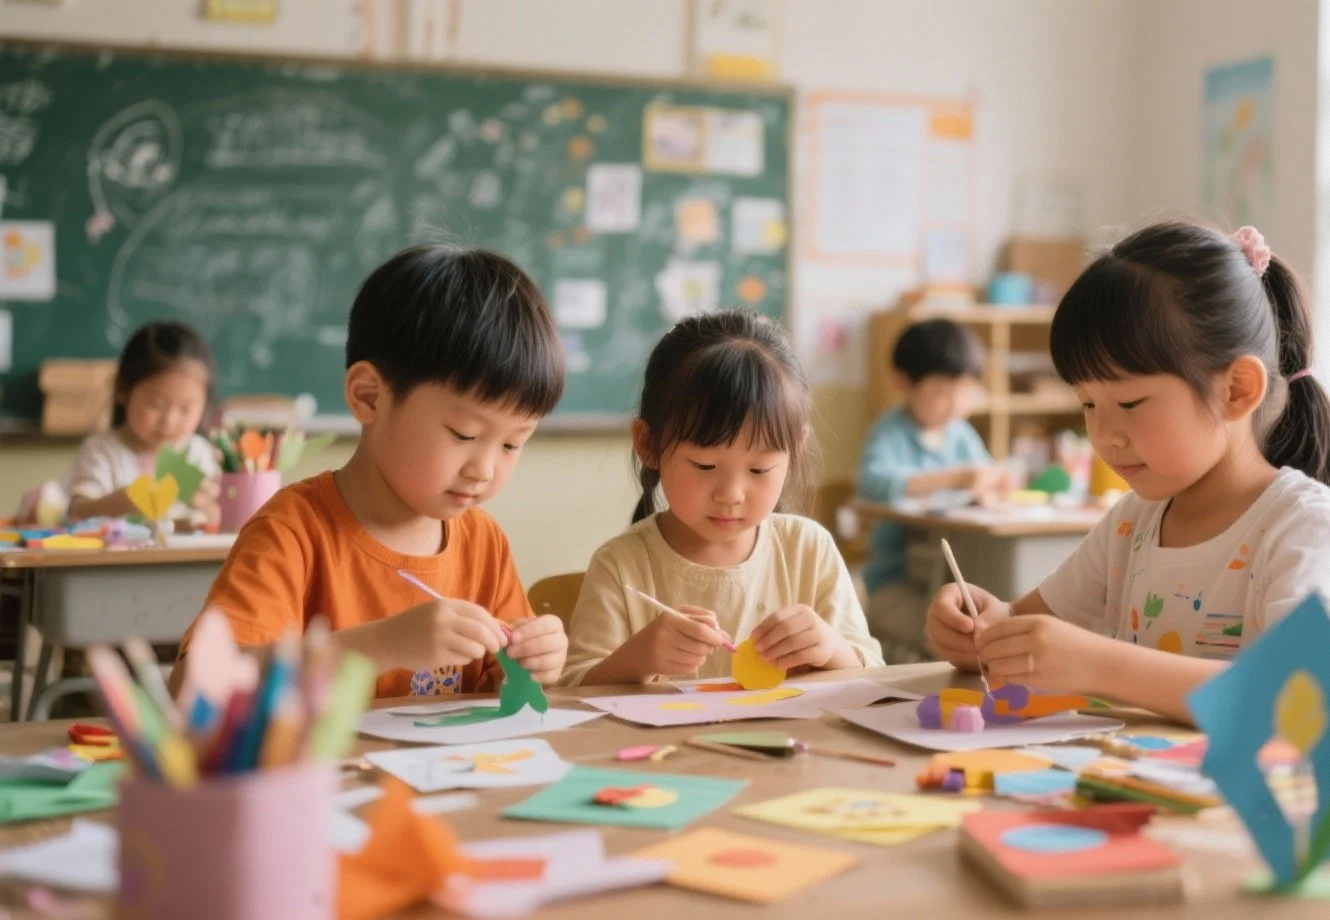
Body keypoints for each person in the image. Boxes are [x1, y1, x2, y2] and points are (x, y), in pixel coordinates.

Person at [926, 223, 1330, 722]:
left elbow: (1295, 701)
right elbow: (1019, 628)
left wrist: (1098, 666)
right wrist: (979, 628)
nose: (1105, 434)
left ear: (1237, 390)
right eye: (1088, 404)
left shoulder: (1306, 526)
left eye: (1130, 402)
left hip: (1245, 800)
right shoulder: (1135, 522)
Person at [173, 244, 569, 699]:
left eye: (513, 444)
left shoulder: (484, 543)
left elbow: (498, 689)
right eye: (463, 434)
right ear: (368, 397)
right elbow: (194, 685)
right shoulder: (292, 532)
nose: (485, 469)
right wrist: (379, 646)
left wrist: (529, 664)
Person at [563, 311, 883, 686]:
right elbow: (572, 694)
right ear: (649, 445)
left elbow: (873, 676)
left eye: (759, 470)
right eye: (704, 465)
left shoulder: (808, 551)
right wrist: (638, 659)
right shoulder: (621, 566)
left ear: (793, 450)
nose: (731, 494)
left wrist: (830, 649)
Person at [857, 318, 1014, 661]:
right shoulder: (891, 433)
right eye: (942, 393)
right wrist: (954, 478)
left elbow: (983, 478)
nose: (954, 405)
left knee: (991, 627)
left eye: (962, 393)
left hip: (958, 580)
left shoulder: (960, 434)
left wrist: (993, 486)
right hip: (897, 582)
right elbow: (872, 484)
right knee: (957, 641)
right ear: (903, 382)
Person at [64, 321, 220, 529]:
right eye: (156, 405)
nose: (169, 421)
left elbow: (217, 519)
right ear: (123, 392)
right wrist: (116, 504)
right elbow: (75, 512)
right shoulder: (101, 451)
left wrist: (211, 507)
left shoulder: (199, 453)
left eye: (185, 409)